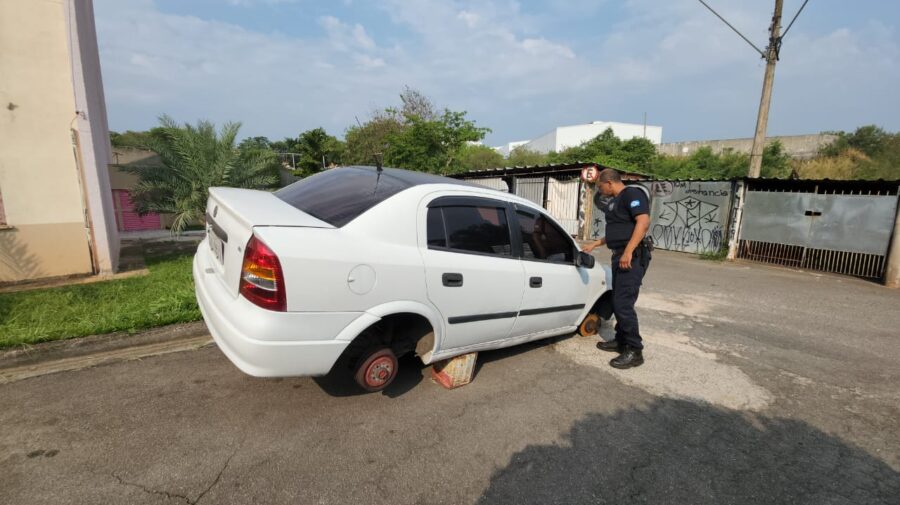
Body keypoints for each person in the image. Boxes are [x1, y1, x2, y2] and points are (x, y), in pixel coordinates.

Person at [582, 169, 651, 369]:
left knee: (623, 303)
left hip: (632, 256)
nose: (600, 191)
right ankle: (621, 341)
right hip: (620, 255)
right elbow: (618, 231)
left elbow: (643, 222)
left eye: (600, 187)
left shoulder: (632, 194)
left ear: (609, 182)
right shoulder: (616, 201)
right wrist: (596, 243)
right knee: (617, 299)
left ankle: (634, 349)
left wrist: (629, 251)